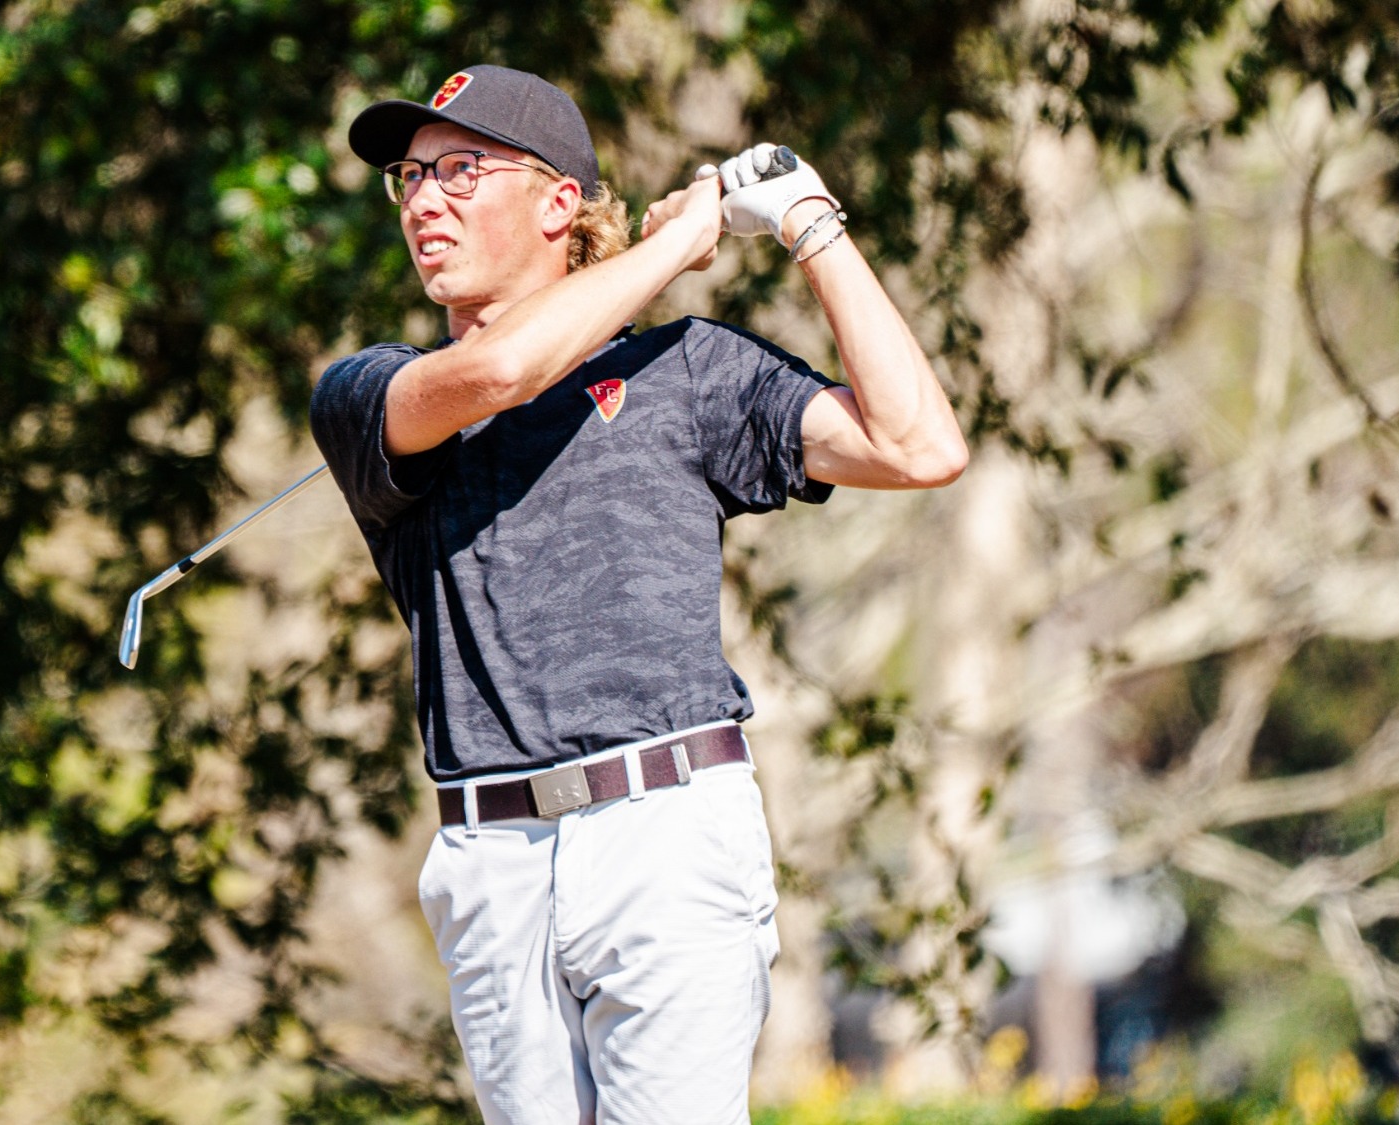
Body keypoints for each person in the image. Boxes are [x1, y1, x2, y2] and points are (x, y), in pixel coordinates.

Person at [309, 64, 966, 1125]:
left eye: (459, 170)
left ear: (557, 203)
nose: (423, 200)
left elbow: (919, 444)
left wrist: (806, 222)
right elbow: (502, 373)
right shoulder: (372, 395)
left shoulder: (687, 369)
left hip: (665, 832)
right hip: (493, 862)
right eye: (409, 178)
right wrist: (679, 243)